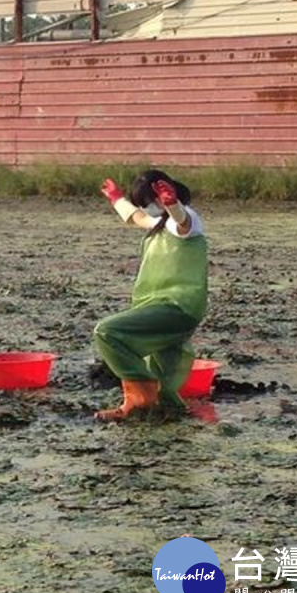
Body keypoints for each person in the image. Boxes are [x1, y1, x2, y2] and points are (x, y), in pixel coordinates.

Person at [93, 169, 208, 421]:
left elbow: (182, 223)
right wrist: (117, 199)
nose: (148, 208)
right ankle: (172, 413)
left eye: (149, 201)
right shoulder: (158, 224)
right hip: (161, 305)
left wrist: (172, 204)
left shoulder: (189, 219)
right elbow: (137, 218)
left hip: (176, 305)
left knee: (108, 332)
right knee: (166, 381)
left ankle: (139, 400)